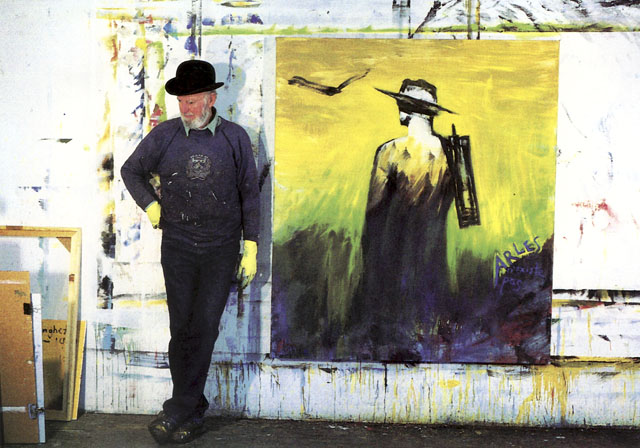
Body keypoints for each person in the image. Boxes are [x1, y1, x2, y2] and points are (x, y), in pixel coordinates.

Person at [120, 59, 260, 444]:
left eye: (194, 101)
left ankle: (178, 411)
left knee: (204, 328)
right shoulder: (164, 136)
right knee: (181, 329)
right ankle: (191, 411)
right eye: (182, 101)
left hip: (220, 248)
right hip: (179, 247)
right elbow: (131, 170)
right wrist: (152, 206)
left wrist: (250, 246)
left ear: (212, 98)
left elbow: (250, 192)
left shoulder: (235, 138)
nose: (187, 109)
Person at [349, 79, 456, 361]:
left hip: (395, 252)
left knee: (394, 323)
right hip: (434, 247)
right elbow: (459, 203)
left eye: (400, 104)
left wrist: (369, 250)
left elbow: (375, 209)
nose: (398, 109)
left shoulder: (390, 151)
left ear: (407, 110)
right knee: (429, 314)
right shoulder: (451, 153)